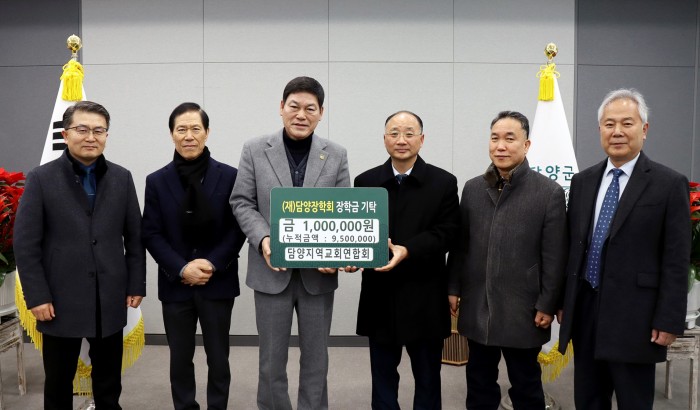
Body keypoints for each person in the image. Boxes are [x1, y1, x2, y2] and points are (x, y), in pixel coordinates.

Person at [558, 88, 690, 409]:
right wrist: (565, 301)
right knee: (588, 399)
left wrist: (669, 318)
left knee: (634, 402)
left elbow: (676, 258)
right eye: (609, 124)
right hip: (586, 311)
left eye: (626, 123)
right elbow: (572, 248)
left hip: (637, 317)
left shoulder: (669, 184)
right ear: (600, 130)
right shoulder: (583, 181)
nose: (617, 131)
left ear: (644, 129)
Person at [14, 101, 146, 410]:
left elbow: (135, 238)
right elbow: (26, 244)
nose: (91, 137)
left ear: (106, 135)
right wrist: (37, 296)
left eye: (99, 130)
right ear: (65, 134)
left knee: (109, 381)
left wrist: (136, 284)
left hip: (109, 298)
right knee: (58, 382)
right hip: (59, 301)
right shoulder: (41, 178)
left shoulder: (122, 177)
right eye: (82, 129)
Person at [230, 76, 350, 410]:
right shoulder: (255, 149)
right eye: (294, 106)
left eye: (310, 108)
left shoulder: (336, 154)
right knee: (271, 361)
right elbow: (241, 201)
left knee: (317, 361)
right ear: (281, 107)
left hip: (318, 276)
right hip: (271, 272)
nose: (301, 114)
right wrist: (264, 239)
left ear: (321, 112)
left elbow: (342, 209)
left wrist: (335, 253)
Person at [447, 111, 567, 409]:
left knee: (526, 383)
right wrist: (453, 286)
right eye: (495, 138)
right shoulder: (473, 188)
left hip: (524, 307)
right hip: (478, 302)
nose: (500, 146)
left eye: (509, 139)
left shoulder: (548, 192)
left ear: (526, 145)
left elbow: (554, 256)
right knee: (479, 380)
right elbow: (461, 245)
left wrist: (547, 302)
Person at [142, 102, 245, 410]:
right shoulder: (156, 181)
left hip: (218, 281)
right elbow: (151, 233)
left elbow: (237, 228)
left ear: (207, 132)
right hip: (176, 284)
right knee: (180, 357)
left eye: (195, 129)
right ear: (172, 134)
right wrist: (181, 267)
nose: (189, 136)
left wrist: (211, 263)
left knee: (219, 357)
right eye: (182, 129)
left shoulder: (230, 176)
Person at [354, 110, 460, 409]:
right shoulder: (366, 181)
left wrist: (408, 249)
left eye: (409, 133)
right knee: (382, 377)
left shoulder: (443, 182)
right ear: (384, 139)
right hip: (380, 294)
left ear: (422, 139)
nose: (401, 140)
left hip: (425, 295)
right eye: (394, 133)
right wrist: (350, 255)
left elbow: (449, 233)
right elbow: (358, 232)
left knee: (427, 378)